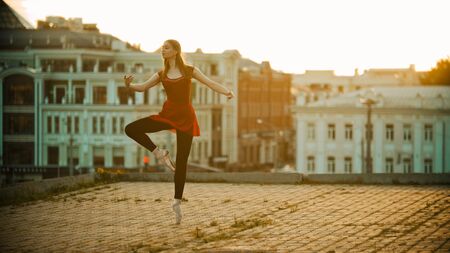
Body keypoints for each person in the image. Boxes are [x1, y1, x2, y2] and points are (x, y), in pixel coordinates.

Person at [123, 39, 235, 224]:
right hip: (167, 114)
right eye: (162, 48)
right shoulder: (162, 74)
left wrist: (226, 91)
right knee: (131, 129)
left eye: (166, 48)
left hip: (187, 118)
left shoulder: (189, 71)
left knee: (182, 162)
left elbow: (210, 83)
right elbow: (142, 87)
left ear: (175, 51)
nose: (163, 50)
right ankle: (159, 152)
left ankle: (177, 202)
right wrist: (129, 86)